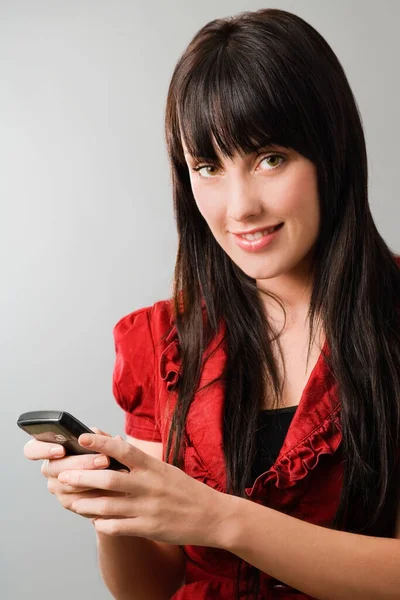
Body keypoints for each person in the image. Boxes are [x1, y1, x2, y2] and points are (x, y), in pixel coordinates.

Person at [23, 7, 400, 600]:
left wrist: (219, 517)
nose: (240, 206)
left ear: (332, 152)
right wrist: (113, 509)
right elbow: (148, 589)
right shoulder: (163, 340)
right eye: (208, 167)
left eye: (270, 158)